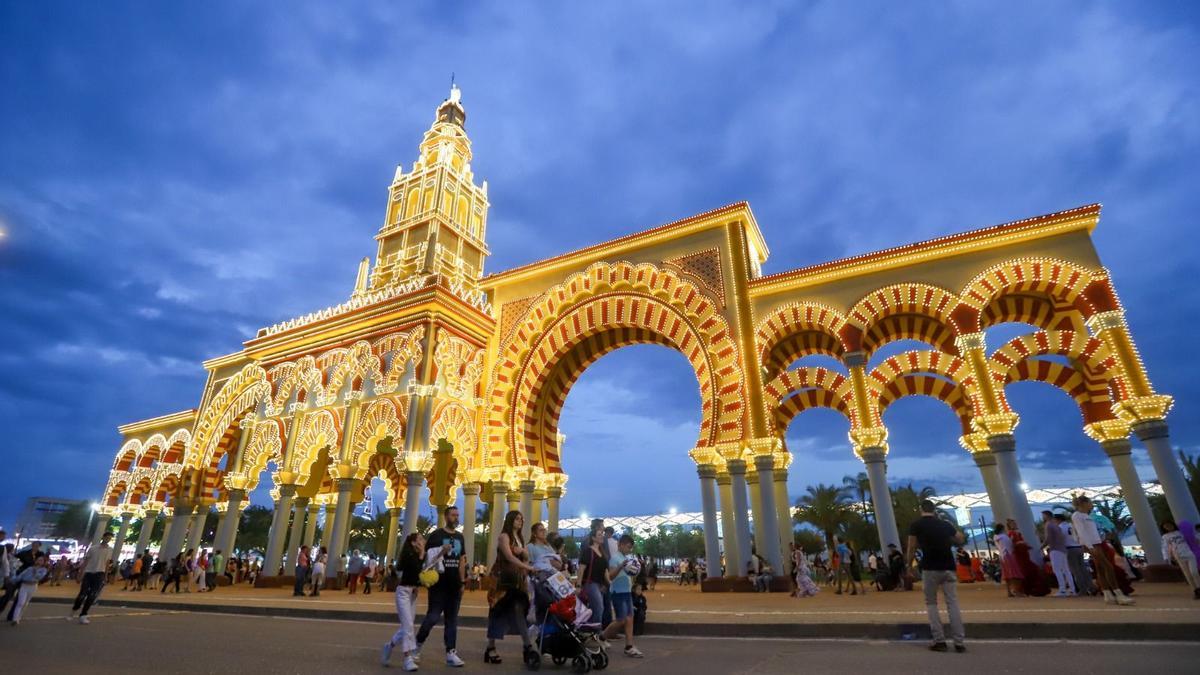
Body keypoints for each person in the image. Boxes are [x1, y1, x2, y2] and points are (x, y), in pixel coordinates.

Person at [906, 499, 966, 653]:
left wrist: (908, 565)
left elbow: (911, 547)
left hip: (930, 567)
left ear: (921, 509)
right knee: (952, 603)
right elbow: (960, 538)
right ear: (934, 510)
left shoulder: (916, 525)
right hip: (948, 566)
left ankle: (939, 640)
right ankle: (959, 642)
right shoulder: (944, 524)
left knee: (931, 603)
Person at [415, 505, 467, 667]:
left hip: (454, 585)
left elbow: (462, 560)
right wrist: (440, 552)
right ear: (446, 517)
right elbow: (427, 559)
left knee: (452, 620)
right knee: (432, 617)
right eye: (453, 515)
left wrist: (463, 581)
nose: (456, 518)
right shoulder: (436, 536)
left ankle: (451, 652)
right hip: (438, 584)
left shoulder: (460, 537)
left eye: (457, 515)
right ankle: (417, 645)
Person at [485, 510, 536, 666]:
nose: (520, 521)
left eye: (521, 519)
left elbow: (526, 557)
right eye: (517, 519)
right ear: (510, 520)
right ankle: (491, 647)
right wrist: (526, 565)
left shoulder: (520, 539)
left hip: (517, 581)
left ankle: (527, 646)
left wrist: (524, 555)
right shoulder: (504, 537)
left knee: (520, 611)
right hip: (502, 581)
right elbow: (508, 557)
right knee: (497, 612)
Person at [382, 532, 437, 671]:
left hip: (413, 593)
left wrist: (442, 551)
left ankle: (389, 646)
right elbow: (416, 568)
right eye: (420, 539)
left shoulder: (419, 555)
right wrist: (422, 552)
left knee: (407, 626)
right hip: (403, 593)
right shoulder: (409, 555)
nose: (423, 541)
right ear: (413, 543)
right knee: (408, 626)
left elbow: (424, 570)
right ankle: (407, 659)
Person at [1072, 496, 1133, 606]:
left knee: (1100, 569)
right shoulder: (1077, 515)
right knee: (1108, 567)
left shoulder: (1086, 515)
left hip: (1097, 543)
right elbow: (1081, 532)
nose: (1091, 504)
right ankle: (1118, 594)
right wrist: (1089, 547)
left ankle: (1107, 594)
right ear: (1083, 503)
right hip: (1092, 545)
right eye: (1089, 502)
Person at [602, 534, 644, 658]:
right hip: (617, 593)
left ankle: (629, 646)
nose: (629, 549)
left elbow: (629, 574)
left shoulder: (627, 557)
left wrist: (636, 569)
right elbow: (610, 576)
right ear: (620, 545)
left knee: (630, 618)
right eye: (628, 547)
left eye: (631, 547)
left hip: (626, 592)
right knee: (621, 620)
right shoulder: (615, 558)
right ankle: (601, 637)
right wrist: (622, 566)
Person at [70, 531, 115, 624]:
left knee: (92, 595)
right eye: (107, 538)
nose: (108, 540)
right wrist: (80, 573)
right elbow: (85, 561)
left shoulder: (110, 550)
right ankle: (74, 610)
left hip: (100, 574)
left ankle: (83, 614)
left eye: (110, 538)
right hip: (89, 573)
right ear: (103, 537)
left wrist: (106, 576)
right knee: (82, 594)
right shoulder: (93, 548)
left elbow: (107, 564)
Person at [1058, 513, 1095, 596]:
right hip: (1079, 547)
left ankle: (1083, 589)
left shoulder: (1060, 528)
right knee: (1083, 569)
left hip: (1070, 549)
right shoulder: (1071, 525)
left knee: (1076, 571)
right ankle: (1091, 587)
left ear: (1058, 520)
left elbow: (1061, 539)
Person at [7, 551, 49, 625]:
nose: (39, 561)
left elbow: (39, 577)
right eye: (38, 560)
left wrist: (35, 571)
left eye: (41, 560)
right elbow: (21, 576)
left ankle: (18, 618)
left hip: (33, 586)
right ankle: (15, 619)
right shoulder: (29, 568)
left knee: (25, 603)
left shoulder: (43, 570)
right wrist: (13, 580)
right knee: (20, 603)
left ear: (43, 562)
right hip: (24, 585)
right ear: (35, 561)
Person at [1042, 511, 1076, 596]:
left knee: (1057, 570)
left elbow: (1048, 538)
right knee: (1066, 570)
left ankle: (1062, 589)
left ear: (1046, 516)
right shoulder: (1057, 526)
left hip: (1055, 549)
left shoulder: (1048, 525)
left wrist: (1042, 546)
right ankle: (1072, 589)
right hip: (1063, 549)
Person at [993, 523, 1024, 597]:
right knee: (1014, 574)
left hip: (1002, 556)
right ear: (1002, 529)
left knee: (1007, 574)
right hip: (1008, 555)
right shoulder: (1004, 536)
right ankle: (1016, 591)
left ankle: (1009, 591)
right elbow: (1011, 546)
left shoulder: (997, 537)